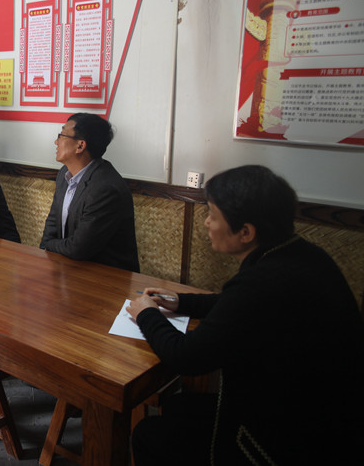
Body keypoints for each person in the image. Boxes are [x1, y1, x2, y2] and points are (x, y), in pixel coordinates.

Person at [127, 165, 364, 466]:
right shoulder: (300, 255)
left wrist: (148, 314)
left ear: (246, 232)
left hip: (288, 439)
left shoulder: (261, 283)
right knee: (180, 406)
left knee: (148, 434)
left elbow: (186, 358)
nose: (206, 222)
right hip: (317, 412)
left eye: (213, 215)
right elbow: (235, 305)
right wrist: (180, 301)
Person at [40, 113, 139, 271]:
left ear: (80, 146)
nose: (56, 142)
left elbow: (79, 248)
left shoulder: (105, 188)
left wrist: (48, 245)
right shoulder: (64, 174)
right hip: (69, 268)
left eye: (62, 135)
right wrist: (46, 245)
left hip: (106, 277)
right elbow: (52, 222)